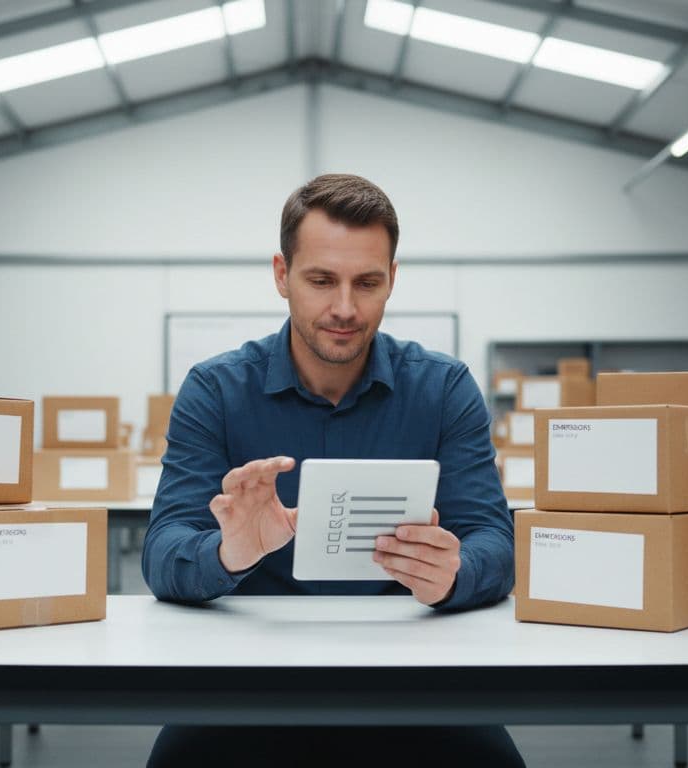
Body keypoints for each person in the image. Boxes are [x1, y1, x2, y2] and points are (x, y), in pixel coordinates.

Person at [141, 174, 524, 767]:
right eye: (321, 280)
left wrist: (454, 573)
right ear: (281, 274)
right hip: (251, 673)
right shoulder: (214, 390)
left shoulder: (443, 388)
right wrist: (229, 552)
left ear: (392, 279)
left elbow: (496, 542)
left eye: (367, 283)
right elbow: (162, 553)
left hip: (411, 669)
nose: (344, 308)